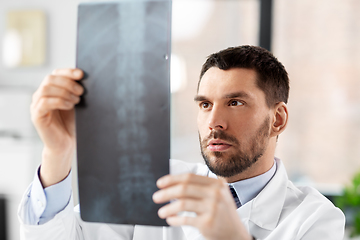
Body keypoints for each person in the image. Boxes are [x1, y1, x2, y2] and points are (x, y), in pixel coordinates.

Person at [18, 45, 345, 240]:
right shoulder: (151, 183)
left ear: (278, 119)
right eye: (205, 104)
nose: (214, 122)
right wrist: (57, 152)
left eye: (235, 103)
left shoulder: (316, 220)